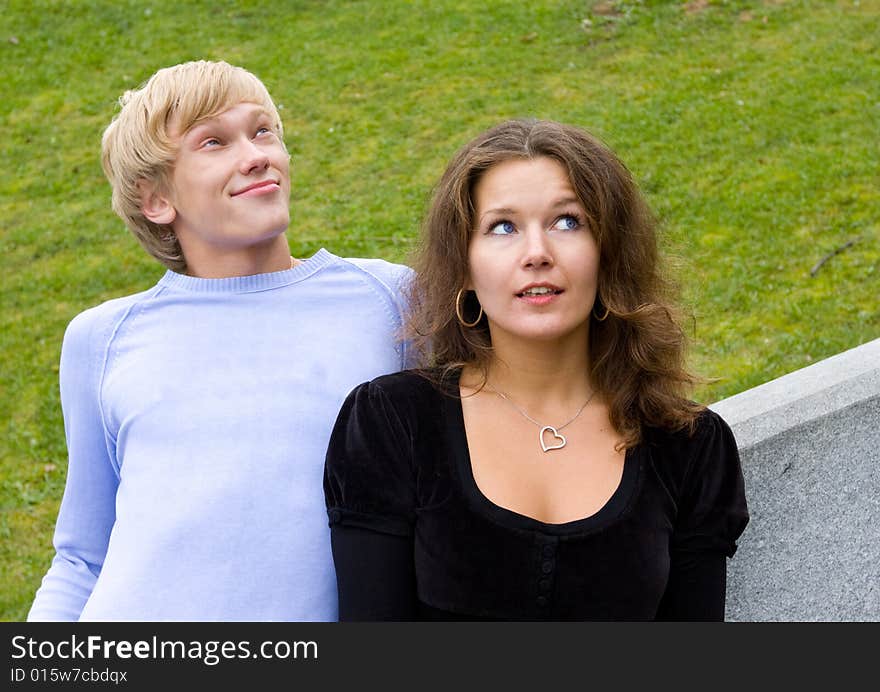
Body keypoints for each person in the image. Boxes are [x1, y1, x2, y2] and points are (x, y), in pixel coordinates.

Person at [27, 60, 411, 621]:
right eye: (213, 142)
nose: (256, 154)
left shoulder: (390, 299)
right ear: (156, 199)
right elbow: (83, 556)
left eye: (262, 131)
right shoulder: (102, 338)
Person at [323, 119, 749, 621]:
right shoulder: (392, 423)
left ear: (608, 253)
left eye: (567, 221)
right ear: (464, 266)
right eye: (502, 227)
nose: (537, 254)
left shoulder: (688, 444)